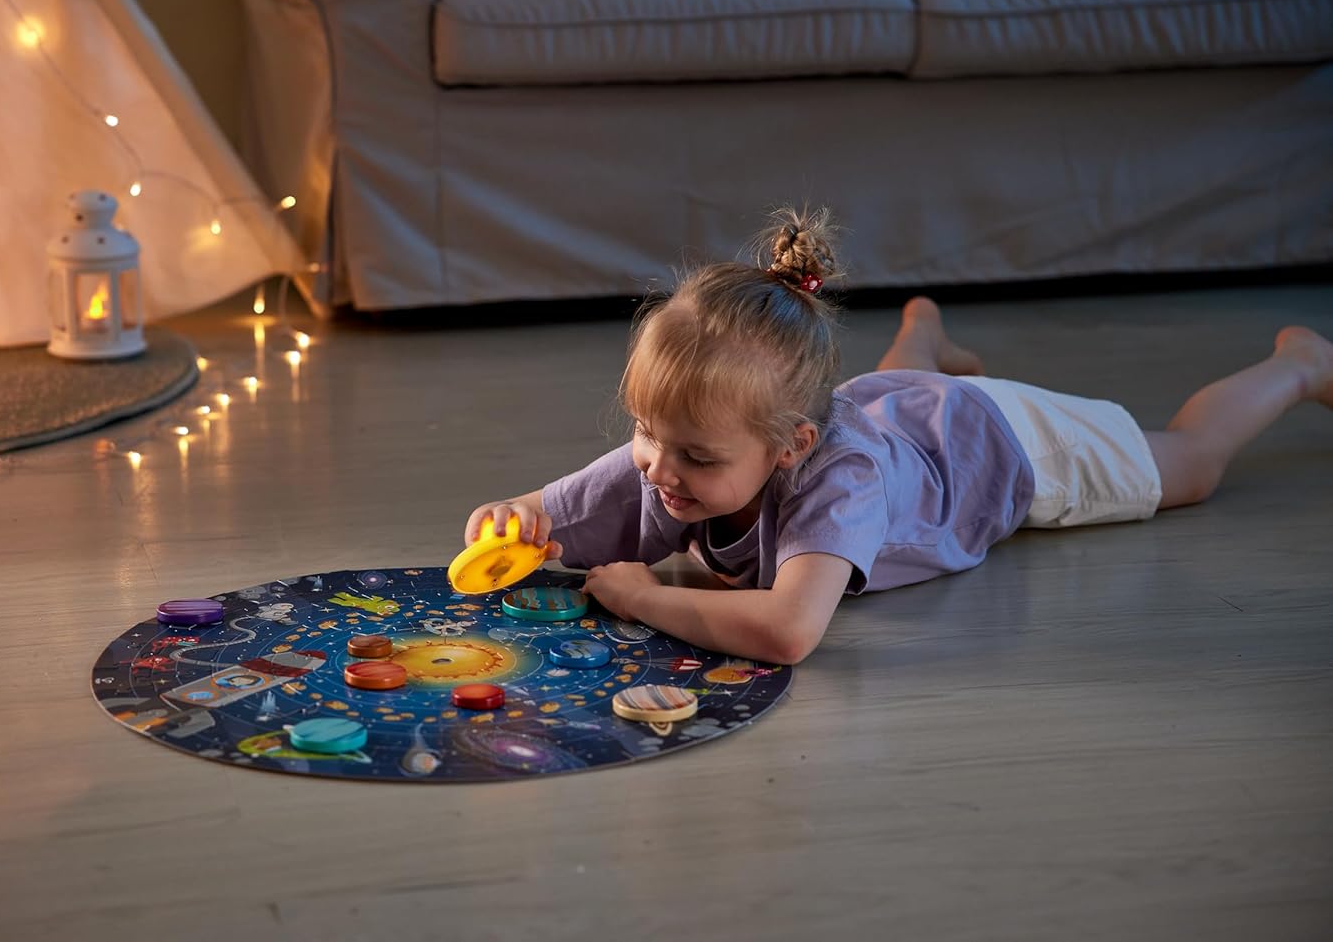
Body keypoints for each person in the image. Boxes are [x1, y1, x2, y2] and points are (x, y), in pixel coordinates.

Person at [462, 207, 1333, 665]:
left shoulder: (836, 480)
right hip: (891, 406)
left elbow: (789, 630)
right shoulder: (686, 447)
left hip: (998, 441)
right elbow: (562, 515)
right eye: (648, 433)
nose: (659, 468)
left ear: (789, 446)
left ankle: (1297, 364)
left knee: (1187, 464)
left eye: (695, 456)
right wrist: (520, 517)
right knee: (894, 392)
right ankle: (924, 334)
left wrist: (644, 598)